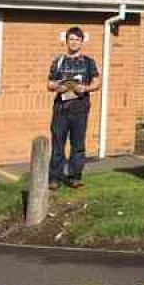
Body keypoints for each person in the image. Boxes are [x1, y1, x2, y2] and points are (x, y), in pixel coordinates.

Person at [46, 27, 100, 190]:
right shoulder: (58, 62)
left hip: (80, 109)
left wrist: (85, 88)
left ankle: (75, 176)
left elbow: (97, 83)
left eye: (77, 39)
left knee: (78, 144)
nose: (74, 42)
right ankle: (54, 178)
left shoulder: (89, 62)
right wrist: (58, 87)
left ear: (81, 42)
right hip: (61, 109)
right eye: (71, 39)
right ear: (66, 41)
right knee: (58, 144)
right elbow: (49, 83)